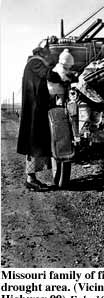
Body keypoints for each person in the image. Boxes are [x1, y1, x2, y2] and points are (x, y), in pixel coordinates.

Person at [17, 45, 52, 191]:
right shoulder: (35, 62)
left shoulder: (31, 63)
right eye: (46, 53)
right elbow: (48, 74)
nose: (48, 56)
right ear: (39, 53)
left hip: (35, 109)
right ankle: (30, 179)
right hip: (34, 110)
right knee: (33, 144)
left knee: (34, 143)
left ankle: (31, 179)